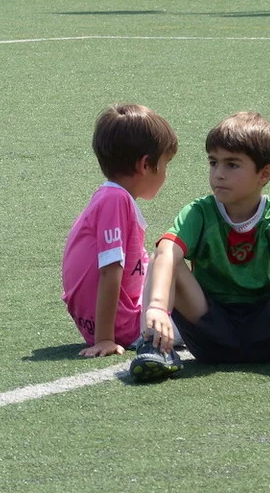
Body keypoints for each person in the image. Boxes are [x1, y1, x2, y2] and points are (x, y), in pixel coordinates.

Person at [129, 111, 270, 382]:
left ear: (265, 173)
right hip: (211, 332)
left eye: (232, 165)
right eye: (213, 162)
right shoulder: (199, 212)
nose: (218, 174)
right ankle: (155, 346)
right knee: (164, 254)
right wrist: (157, 307)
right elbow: (168, 254)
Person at [62, 103, 178, 357]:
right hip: (127, 326)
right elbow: (110, 269)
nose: (166, 173)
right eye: (165, 164)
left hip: (112, 322)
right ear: (145, 165)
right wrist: (105, 338)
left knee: (164, 264)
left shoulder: (108, 197)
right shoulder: (116, 200)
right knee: (169, 260)